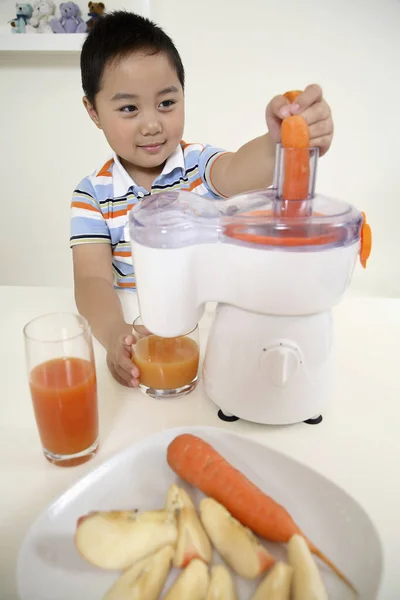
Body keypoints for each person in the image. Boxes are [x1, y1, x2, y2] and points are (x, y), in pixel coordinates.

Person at [71, 11, 334, 388]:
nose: (151, 124)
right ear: (93, 112)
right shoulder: (92, 196)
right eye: (129, 108)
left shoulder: (198, 166)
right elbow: (91, 279)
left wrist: (279, 140)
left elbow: (241, 170)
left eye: (166, 103)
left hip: (208, 338)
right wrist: (116, 336)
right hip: (136, 339)